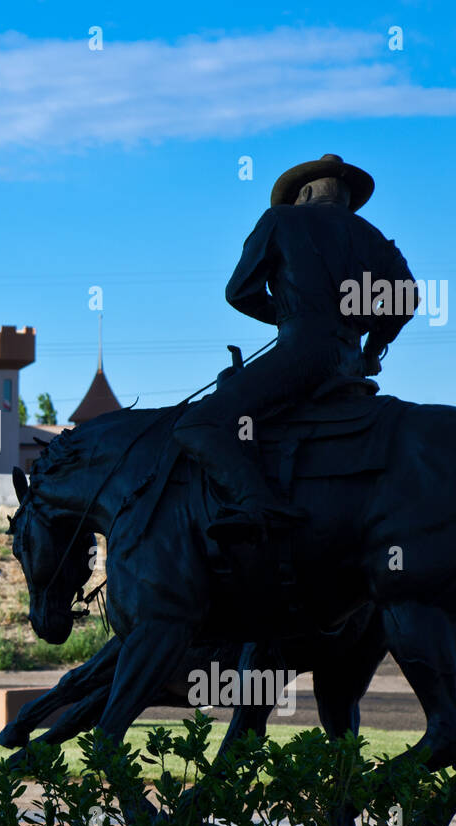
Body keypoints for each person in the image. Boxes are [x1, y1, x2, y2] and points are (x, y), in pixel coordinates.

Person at [174, 154, 418, 545]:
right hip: (350, 365)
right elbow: (407, 298)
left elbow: (238, 292)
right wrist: (372, 350)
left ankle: (258, 504)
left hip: (300, 356)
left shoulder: (281, 220)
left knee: (198, 424)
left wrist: (290, 318)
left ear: (304, 192)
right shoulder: (374, 238)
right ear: (345, 199)